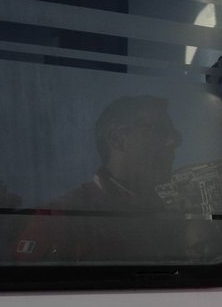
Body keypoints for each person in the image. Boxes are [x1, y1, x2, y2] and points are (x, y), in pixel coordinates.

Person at [14, 94, 183, 262]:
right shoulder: (59, 219)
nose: (173, 142)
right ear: (118, 140)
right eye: (159, 132)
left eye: (175, 135)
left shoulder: (162, 211)